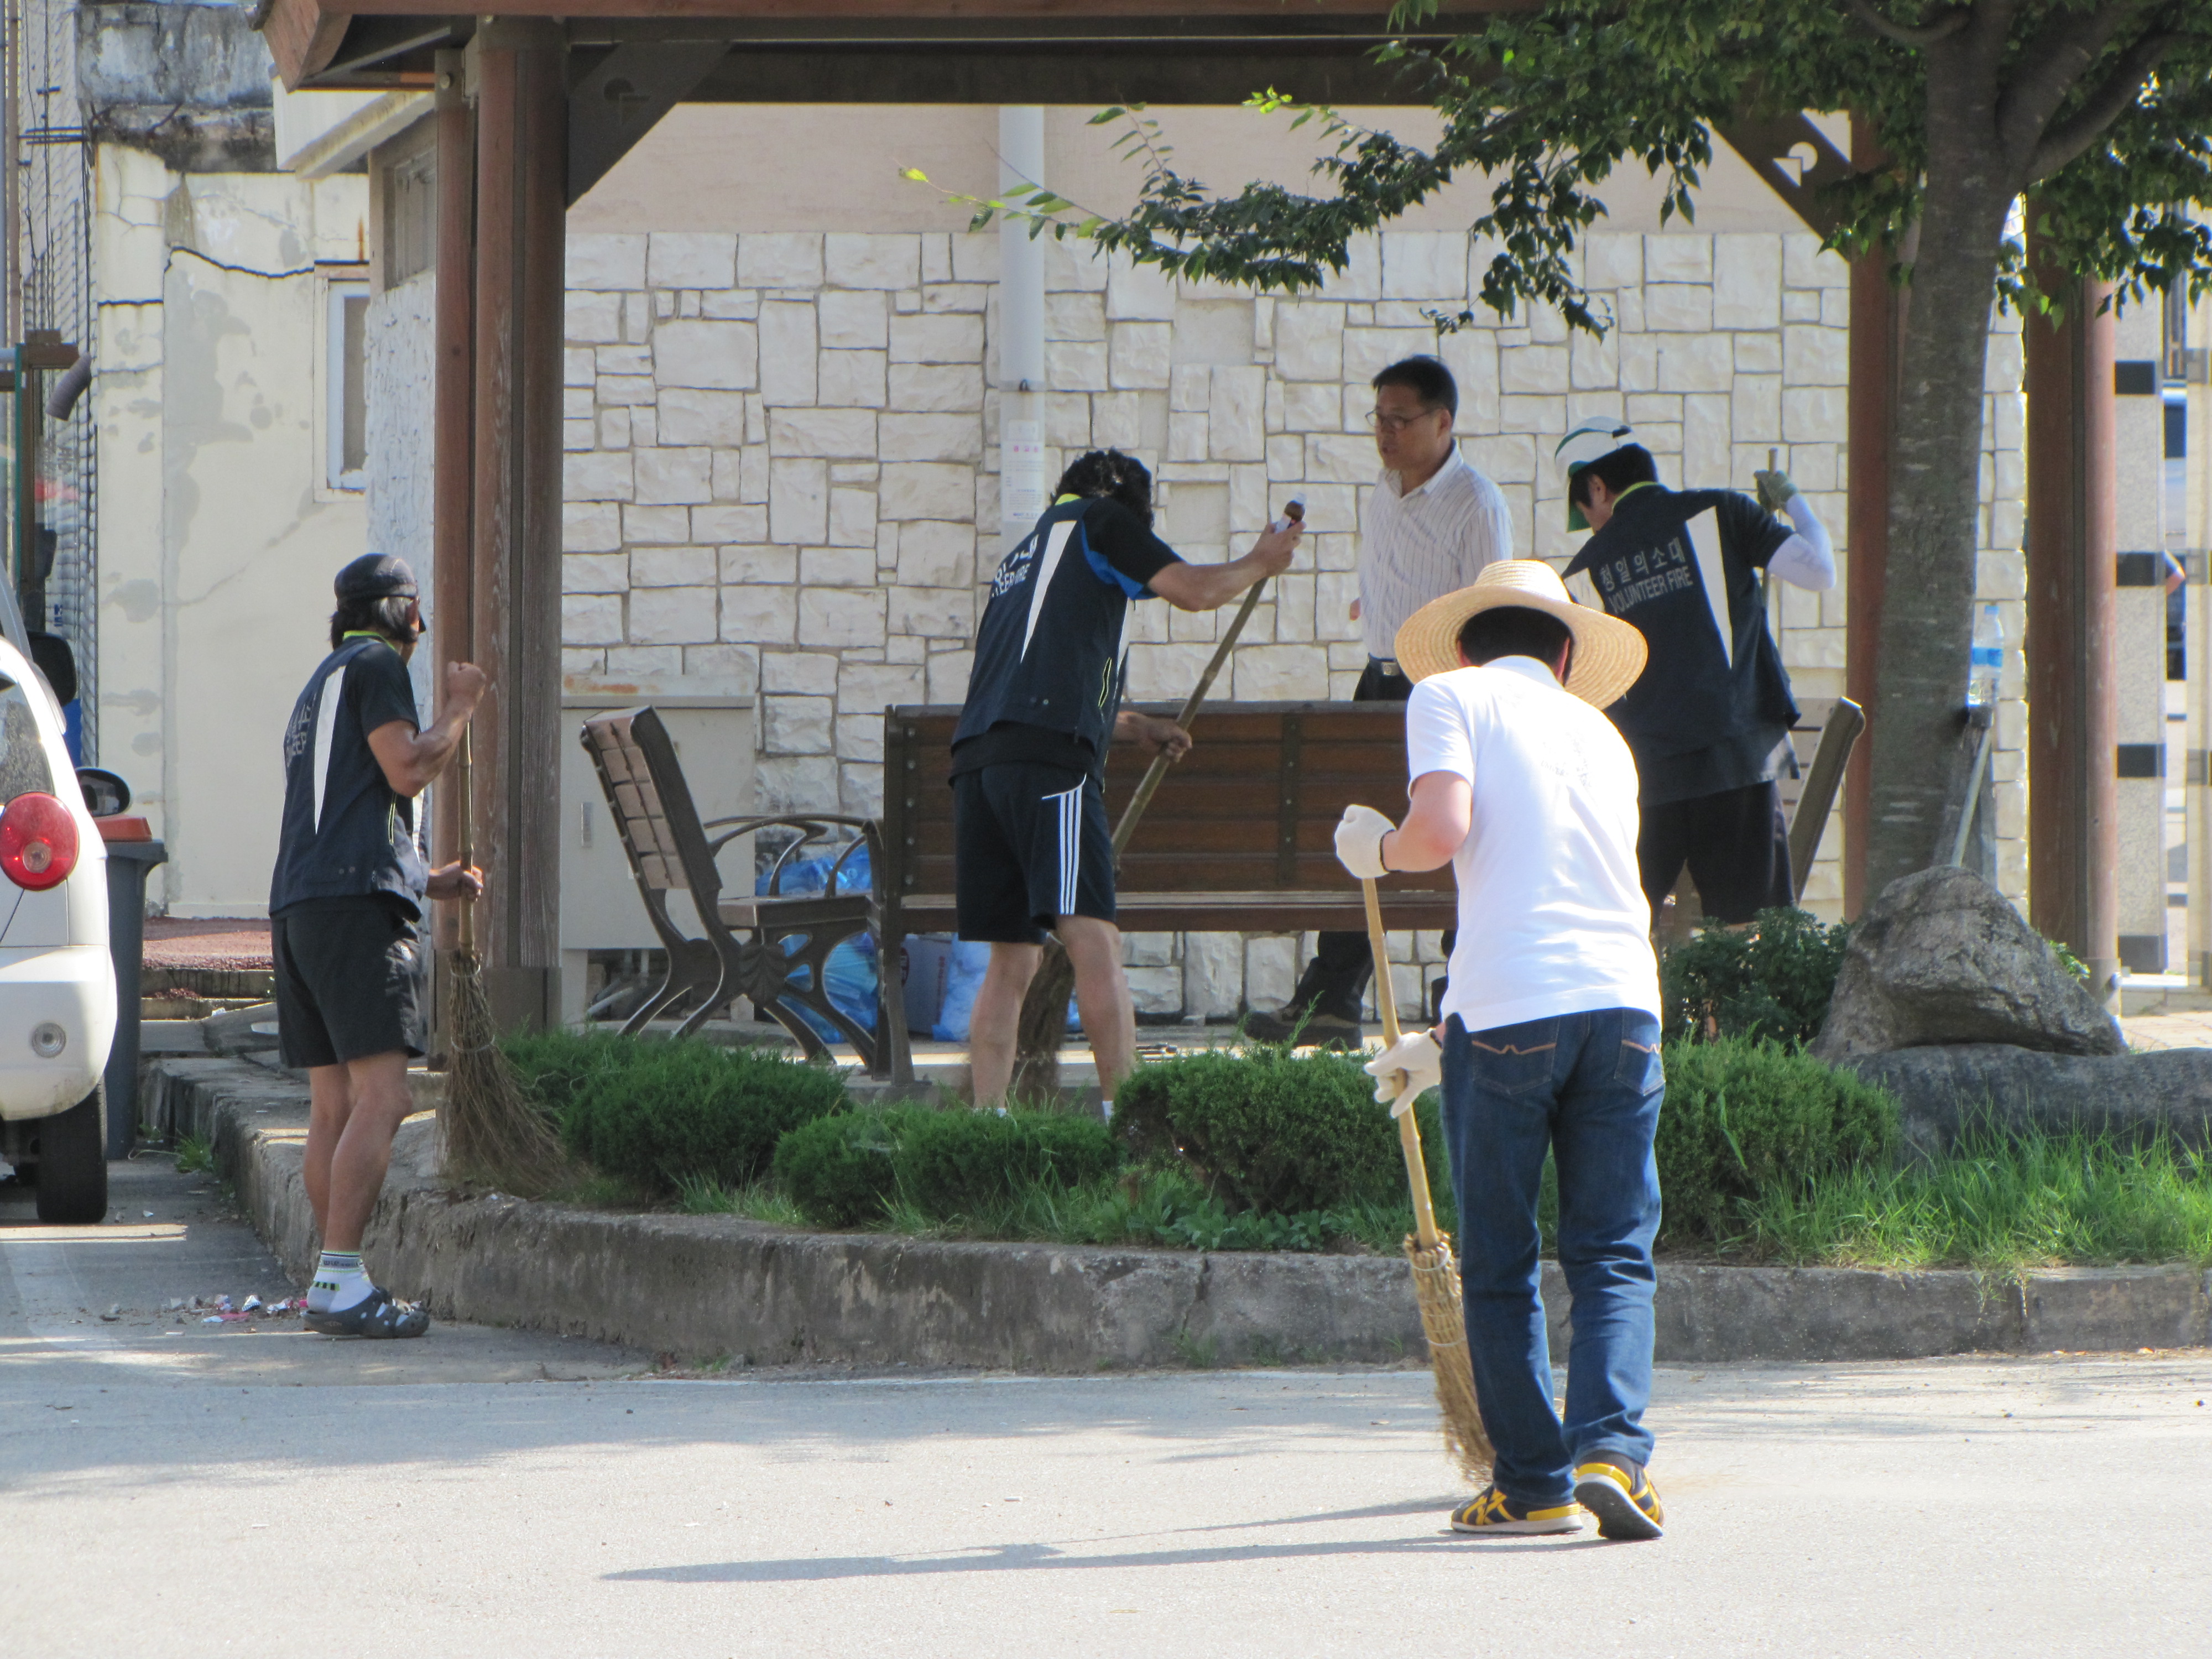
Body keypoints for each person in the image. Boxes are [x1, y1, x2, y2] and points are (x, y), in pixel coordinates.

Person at [1336, 559, 1665, 1540]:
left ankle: (1533, 1486)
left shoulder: (1449, 696)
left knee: (1501, 1260)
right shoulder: (1603, 734)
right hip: (1625, 1009)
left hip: (1511, 1017)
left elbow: (1440, 831)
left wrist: (1377, 851)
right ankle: (1614, 1455)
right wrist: (1445, 1039)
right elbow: (1571, 890)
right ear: (1565, 654)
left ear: (1464, 644)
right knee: (1614, 1253)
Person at [954, 449, 1302, 1109]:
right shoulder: (1101, 521)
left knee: (1013, 959)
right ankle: (1128, 1121)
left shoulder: (1021, 559)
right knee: (1095, 938)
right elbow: (1193, 591)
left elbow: (1026, 685)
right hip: (1050, 766)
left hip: (980, 765)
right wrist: (1261, 561)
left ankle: (986, 1128)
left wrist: (1135, 726)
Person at [1247, 354, 1512, 1045]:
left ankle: (1465, 997)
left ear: (1442, 422)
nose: (1385, 433)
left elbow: (1491, 614)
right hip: (1378, 680)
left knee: (1458, 836)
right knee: (1358, 828)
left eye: (1400, 420)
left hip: (1444, 689)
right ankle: (1332, 996)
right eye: (1379, 419)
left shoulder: (1477, 503)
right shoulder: (1384, 486)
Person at [270, 554, 487, 1338]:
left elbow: (341, 809)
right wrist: (460, 708)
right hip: (355, 912)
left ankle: (331, 1279)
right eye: (417, 610)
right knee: (387, 1098)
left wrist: (424, 877)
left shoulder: (319, 685)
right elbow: (406, 769)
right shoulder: (378, 667)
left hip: (301, 909)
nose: (422, 626)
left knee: (333, 1105)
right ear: (404, 616)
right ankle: (340, 1284)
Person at [1553, 419, 1837, 925]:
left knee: (1617, 929)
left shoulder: (1580, 576)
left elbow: (1587, 690)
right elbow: (1819, 571)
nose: (1592, 525)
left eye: (1585, 510)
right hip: (1737, 764)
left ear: (1596, 486)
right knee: (1754, 936)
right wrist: (1793, 502)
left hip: (1642, 781)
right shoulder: (1722, 512)